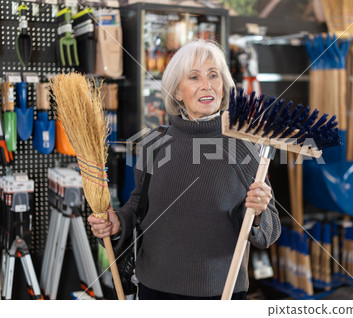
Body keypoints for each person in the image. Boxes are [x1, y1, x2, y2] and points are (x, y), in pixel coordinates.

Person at [88, 40, 281, 300]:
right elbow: (138, 207)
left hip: (220, 294)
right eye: (194, 77)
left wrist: (257, 214)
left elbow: (269, 230)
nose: (207, 84)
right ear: (177, 92)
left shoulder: (244, 147)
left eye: (214, 75)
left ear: (223, 87)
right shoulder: (154, 143)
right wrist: (118, 223)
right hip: (155, 290)